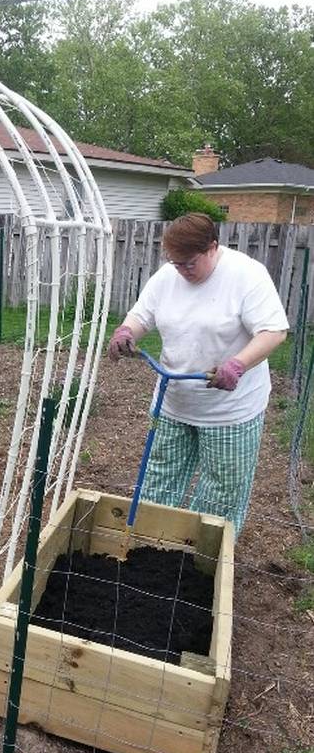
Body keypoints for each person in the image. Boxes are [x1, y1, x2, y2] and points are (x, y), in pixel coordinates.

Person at [108, 212, 288, 537]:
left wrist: (237, 364)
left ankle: (201, 563)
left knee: (220, 494)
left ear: (212, 248)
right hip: (173, 404)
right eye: (176, 264)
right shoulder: (168, 276)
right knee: (158, 481)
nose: (182, 271)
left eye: (189, 263)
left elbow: (274, 331)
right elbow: (142, 315)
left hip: (230, 410)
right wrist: (126, 331)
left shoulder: (247, 276)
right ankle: (150, 546)